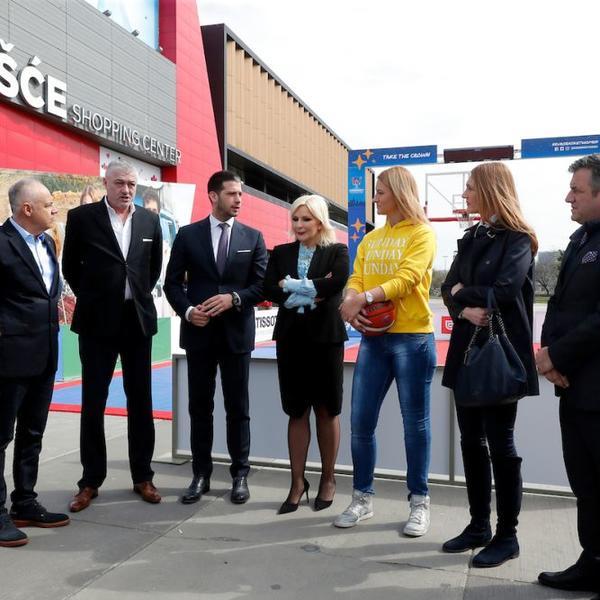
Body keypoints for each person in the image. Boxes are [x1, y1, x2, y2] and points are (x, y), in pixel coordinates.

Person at [440, 162, 539, 567]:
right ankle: (478, 525)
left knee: (501, 445)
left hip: (500, 356)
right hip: (467, 352)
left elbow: (505, 290)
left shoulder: (518, 239)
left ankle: (507, 535)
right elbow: (446, 288)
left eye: (470, 187)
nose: (465, 194)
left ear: (489, 189)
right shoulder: (472, 237)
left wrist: (464, 292)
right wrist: (463, 307)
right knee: (470, 442)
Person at [334, 166, 436, 536]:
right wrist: (351, 298)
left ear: (399, 192)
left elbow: (407, 278)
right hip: (373, 340)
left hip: (413, 338)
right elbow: (356, 276)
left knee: (415, 425)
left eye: (381, 191)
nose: (375, 198)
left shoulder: (422, 233)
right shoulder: (372, 238)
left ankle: (419, 502)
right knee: (361, 422)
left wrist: (363, 298)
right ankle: (362, 498)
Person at [62, 160, 163, 512]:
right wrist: (98, 298)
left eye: (132, 184)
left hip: (137, 321)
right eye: (120, 183)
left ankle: (143, 476)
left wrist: (133, 294)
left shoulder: (150, 220)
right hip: (96, 323)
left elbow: (152, 268)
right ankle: (90, 481)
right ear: (105, 183)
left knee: (141, 401)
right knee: (93, 401)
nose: (126, 190)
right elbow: (70, 267)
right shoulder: (82, 218)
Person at [164, 170, 267, 505]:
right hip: (200, 335)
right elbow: (172, 283)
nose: (239, 199)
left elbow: (261, 286)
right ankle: (200, 475)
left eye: (241, 194)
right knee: (200, 408)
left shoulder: (253, 237)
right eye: (232, 193)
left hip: (236, 336)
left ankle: (240, 475)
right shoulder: (187, 235)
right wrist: (187, 311)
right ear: (213, 196)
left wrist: (233, 298)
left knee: (238, 409)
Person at [536, 154, 600, 593]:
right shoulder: (581, 239)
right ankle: (592, 560)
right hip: (574, 385)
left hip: (596, 387)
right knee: (585, 482)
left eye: (576, 190)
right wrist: (550, 358)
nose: (567, 197)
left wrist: (556, 355)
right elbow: (559, 305)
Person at [263, 195, 349, 513]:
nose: (299, 225)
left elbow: (336, 284)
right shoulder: (281, 252)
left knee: (327, 410)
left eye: (306, 219)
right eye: (295, 219)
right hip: (291, 341)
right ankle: (297, 484)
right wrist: (312, 290)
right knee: (296, 412)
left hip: (326, 341)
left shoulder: (337, 251)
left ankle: (328, 480)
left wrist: (291, 285)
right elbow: (269, 288)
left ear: (320, 221)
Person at [0, 179, 69, 547]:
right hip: (8, 359)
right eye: (48, 204)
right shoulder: (2, 243)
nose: (54, 209)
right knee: (0, 437)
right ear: (27, 209)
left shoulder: (46, 243)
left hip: (44, 357)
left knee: (32, 434)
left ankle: (24, 502)